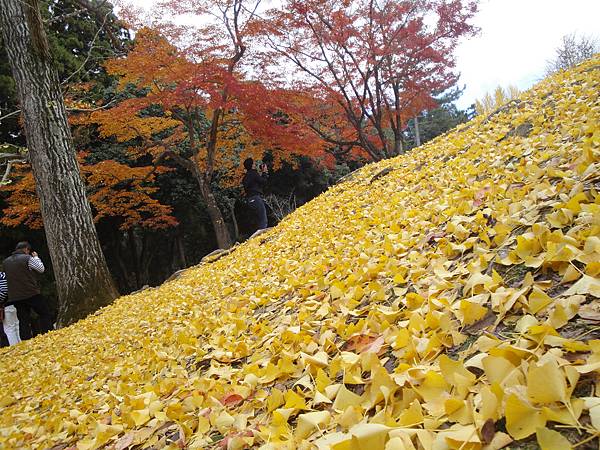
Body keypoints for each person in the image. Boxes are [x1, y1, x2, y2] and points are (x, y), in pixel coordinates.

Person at [3, 242, 53, 340]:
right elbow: (41, 269)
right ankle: (47, 333)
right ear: (26, 249)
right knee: (44, 313)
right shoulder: (27, 258)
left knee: (23, 319)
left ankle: (26, 340)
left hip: (15, 296)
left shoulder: (6, 262)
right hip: (31, 292)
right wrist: (36, 258)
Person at [242, 158, 269, 230]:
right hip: (255, 198)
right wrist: (264, 172)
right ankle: (261, 236)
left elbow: (255, 183)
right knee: (263, 219)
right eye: (254, 164)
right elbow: (263, 182)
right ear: (252, 165)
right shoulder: (253, 173)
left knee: (257, 220)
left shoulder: (246, 177)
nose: (255, 165)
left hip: (249, 200)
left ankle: (256, 236)